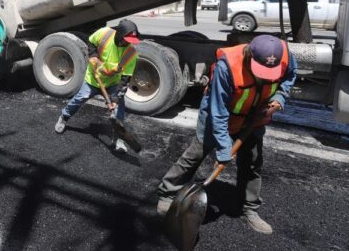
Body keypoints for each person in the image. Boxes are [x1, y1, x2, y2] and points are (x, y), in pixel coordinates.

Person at [156, 35, 297, 234]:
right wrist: (223, 149)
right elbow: (218, 111)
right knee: (195, 154)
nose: (265, 77)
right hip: (221, 114)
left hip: (255, 117)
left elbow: (290, 76)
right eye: (261, 71)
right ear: (250, 56)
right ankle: (167, 192)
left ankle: (249, 208)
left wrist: (280, 96)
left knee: (252, 163)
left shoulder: (285, 55)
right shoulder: (227, 66)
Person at [54, 19, 140, 152]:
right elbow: (91, 41)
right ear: (119, 34)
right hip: (94, 78)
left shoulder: (130, 53)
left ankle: (118, 138)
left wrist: (115, 99)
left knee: (118, 110)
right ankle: (64, 117)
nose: (128, 43)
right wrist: (93, 56)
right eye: (126, 39)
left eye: (131, 41)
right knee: (79, 99)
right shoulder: (104, 34)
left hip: (113, 83)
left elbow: (125, 79)